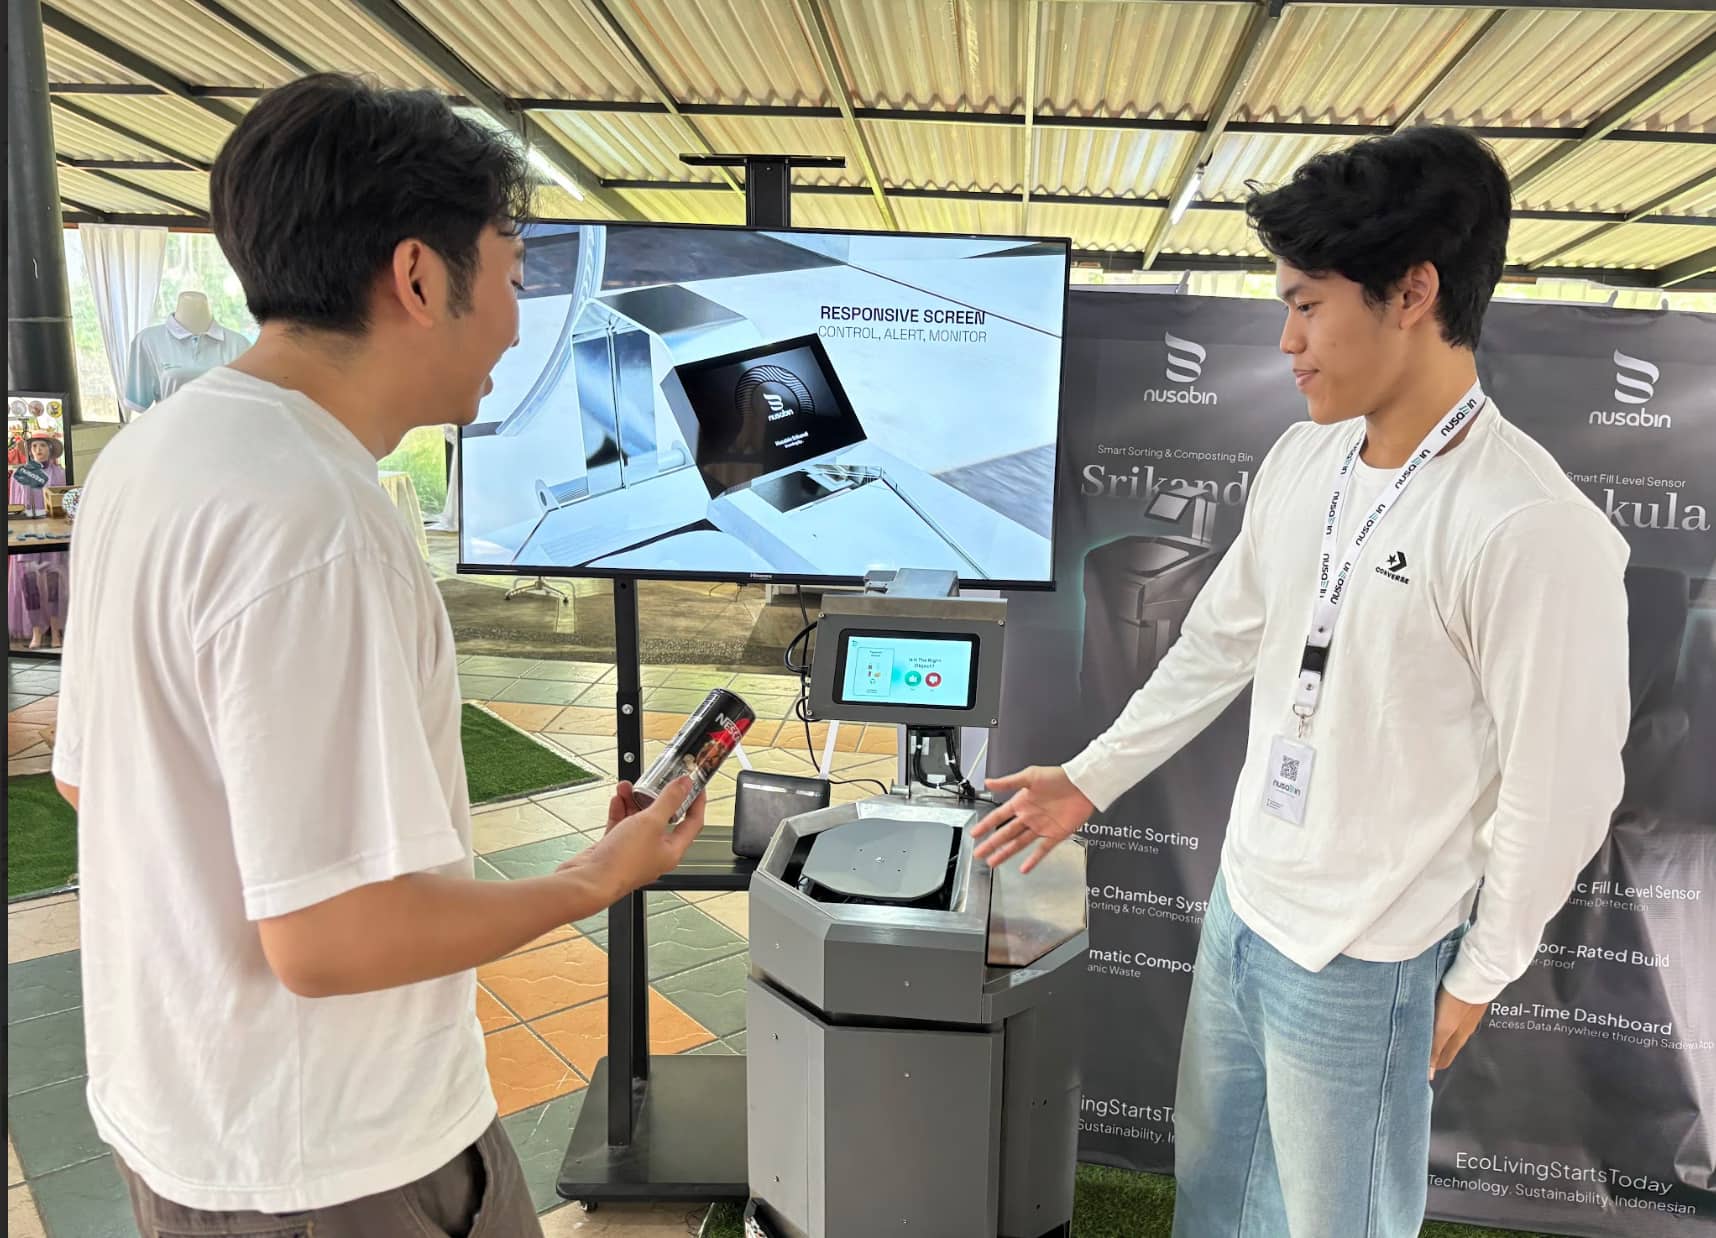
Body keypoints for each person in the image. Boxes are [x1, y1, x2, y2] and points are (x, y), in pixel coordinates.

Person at [52, 74, 707, 1237]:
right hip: (334, 1160)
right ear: (416, 276)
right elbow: (331, 938)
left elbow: (86, 776)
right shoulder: (317, 515)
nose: (518, 324)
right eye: (512, 277)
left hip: (191, 1118)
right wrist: (594, 879)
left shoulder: (148, 457)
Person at [973, 125, 1630, 1237]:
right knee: (1214, 1193)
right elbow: (1218, 642)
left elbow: (1559, 785)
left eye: (1308, 305)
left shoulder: (1527, 525)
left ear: (1412, 291)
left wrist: (1480, 972)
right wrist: (1090, 778)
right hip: (1246, 903)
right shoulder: (1303, 458)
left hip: (1368, 951)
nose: (1287, 341)